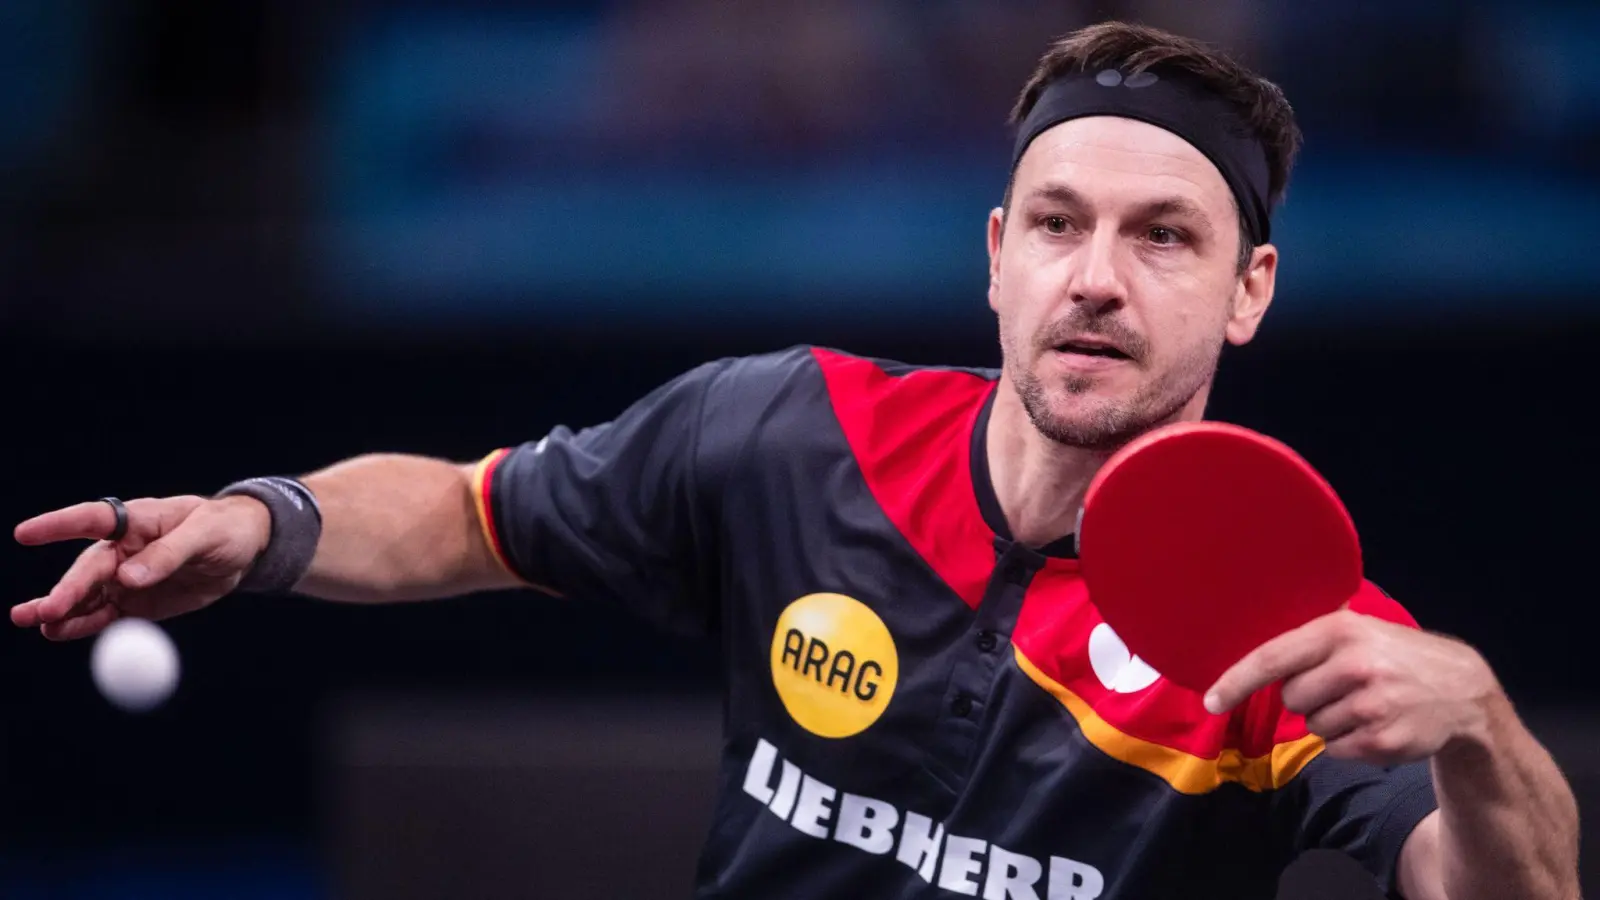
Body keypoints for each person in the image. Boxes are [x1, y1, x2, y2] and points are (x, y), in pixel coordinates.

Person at [12, 21, 1580, 900]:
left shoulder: (1303, 630)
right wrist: (261, 522)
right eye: (1058, 225)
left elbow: (1496, 894)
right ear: (996, 259)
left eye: (1164, 237)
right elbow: (465, 516)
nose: (1096, 276)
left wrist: (1483, 732)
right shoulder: (789, 430)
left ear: (1251, 290)